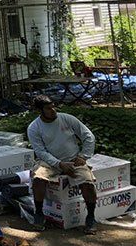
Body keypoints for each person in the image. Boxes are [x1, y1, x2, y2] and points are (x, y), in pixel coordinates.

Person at [26, 94, 98, 234]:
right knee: (38, 178)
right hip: (49, 162)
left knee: (88, 183)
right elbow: (40, 151)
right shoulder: (34, 128)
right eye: (48, 108)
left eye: (53, 106)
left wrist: (83, 156)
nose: (53, 110)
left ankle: (90, 216)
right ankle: (39, 213)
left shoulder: (67, 118)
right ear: (40, 111)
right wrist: (59, 164)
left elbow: (88, 136)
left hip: (73, 159)